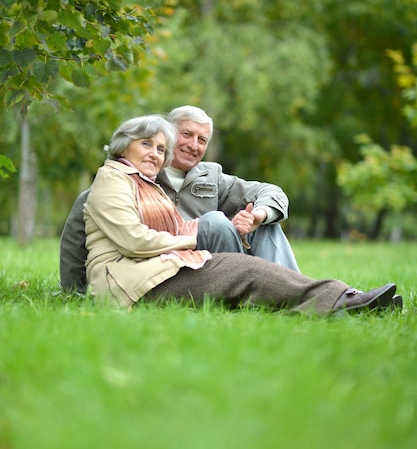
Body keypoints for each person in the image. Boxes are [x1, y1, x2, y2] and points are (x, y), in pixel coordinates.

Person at [82, 114, 401, 315]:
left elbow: (270, 193)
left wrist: (258, 216)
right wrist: (196, 237)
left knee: (250, 258)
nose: (155, 153)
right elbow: (131, 241)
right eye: (146, 144)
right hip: (131, 285)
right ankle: (344, 300)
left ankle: (345, 300)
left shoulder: (143, 181)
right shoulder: (112, 179)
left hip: (156, 273)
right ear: (124, 147)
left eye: (160, 149)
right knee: (243, 267)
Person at [60, 106, 299, 292]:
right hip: (169, 268)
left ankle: (292, 290)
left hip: (214, 259)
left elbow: (272, 192)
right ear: (168, 135)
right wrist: (74, 289)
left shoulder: (212, 177)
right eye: (186, 134)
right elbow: (78, 230)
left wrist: (259, 215)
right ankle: (255, 291)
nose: (193, 145)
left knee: (267, 227)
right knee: (215, 222)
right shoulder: (140, 173)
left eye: (202, 140)